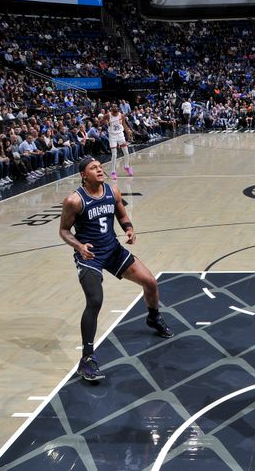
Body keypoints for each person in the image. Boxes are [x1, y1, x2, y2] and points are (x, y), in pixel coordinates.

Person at [59, 157, 173, 382]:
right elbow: (63, 230)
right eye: (93, 168)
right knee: (95, 301)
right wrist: (79, 246)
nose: (99, 170)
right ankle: (87, 359)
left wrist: (129, 229)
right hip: (90, 256)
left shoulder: (113, 191)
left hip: (113, 250)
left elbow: (121, 215)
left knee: (150, 282)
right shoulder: (74, 200)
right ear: (84, 175)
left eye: (100, 167)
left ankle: (153, 317)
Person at [106, 104, 134, 180]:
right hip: (112, 136)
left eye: (116, 106)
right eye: (113, 107)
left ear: (118, 108)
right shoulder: (108, 115)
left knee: (126, 152)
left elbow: (124, 124)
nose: (115, 108)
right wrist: (105, 122)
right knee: (114, 155)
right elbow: (100, 123)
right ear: (111, 108)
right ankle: (113, 172)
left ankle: (126, 166)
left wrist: (128, 131)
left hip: (120, 135)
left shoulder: (121, 115)